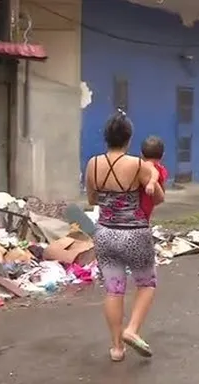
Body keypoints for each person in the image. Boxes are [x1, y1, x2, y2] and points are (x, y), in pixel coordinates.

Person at [85, 111, 164, 362]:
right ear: (129, 139)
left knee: (113, 290)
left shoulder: (93, 164)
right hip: (134, 233)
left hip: (105, 233)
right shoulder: (137, 165)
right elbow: (158, 197)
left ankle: (117, 349)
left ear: (106, 138)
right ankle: (132, 330)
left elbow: (91, 199)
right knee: (146, 284)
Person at [138, 136, 169, 220]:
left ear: (141, 154)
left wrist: (151, 183)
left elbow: (153, 171)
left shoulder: (144, 166)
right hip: (148, 205)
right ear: (163, 155)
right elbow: (162, 190)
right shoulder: (162, 170)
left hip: (136, 205)